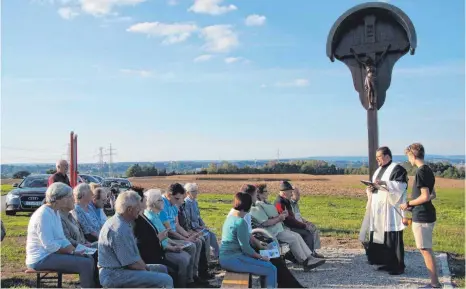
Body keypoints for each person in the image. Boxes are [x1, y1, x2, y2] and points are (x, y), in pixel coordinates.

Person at [98, 190, 173, 288]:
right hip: (114, 275)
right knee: (166, 280)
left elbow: (134, 257)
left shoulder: (122, 222)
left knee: (161, 269)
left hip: (120, 270)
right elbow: (132, 264)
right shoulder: (119, 229)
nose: (140, 209)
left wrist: (146, 269)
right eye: (138, 207)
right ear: (129, 209)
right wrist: (146, 270)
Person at [26, 182, 96, 288]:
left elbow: (61, 239)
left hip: (50, 254)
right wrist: (72, 252)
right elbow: (49, 245)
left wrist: (76, 250)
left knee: (89, 258)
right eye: (69, 197)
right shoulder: (43, 215)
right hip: (40, 258)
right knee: (85, 264)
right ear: (58, 199)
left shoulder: (55, 212)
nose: (72, 199)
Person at [251, 184, 325, 272]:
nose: (268, 193)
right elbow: (265, 222)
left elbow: (272, 216)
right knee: (293, 238)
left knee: (297, 236)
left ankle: (309, 257)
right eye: (266, 191)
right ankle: (305, 261)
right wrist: (279, 218)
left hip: (278, 228)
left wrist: (281, 216)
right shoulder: (257, 206)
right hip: (271, 232)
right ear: (259, 194)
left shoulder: (265, 203)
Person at [359, 146, 408, 275]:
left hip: (390, 210)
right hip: (378, 208)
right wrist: (370, 188)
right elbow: (376, 187)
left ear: (387, 156)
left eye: (379, 157)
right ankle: (385, 263)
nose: (377, 160)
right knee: (381, 237)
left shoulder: (398, 169)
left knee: (392, 237)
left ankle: (398, 266)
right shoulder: (378, 170)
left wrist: (384, 183)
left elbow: (401, 186)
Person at [400, 143, 441, 288]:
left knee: (425, 250)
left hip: (422, 216)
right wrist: (415, 204)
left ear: (413, 155)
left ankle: (435, 284)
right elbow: (432, 195)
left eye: (408, 156)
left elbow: (424, 196)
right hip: (426, 213)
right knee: (426, 248)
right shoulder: (428, 170)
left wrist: (409, 204)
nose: (408, 160)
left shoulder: (420, 172)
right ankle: (435, 283)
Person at [142, 188, 200, 288]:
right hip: (161, 250)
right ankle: (182, 285)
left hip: (166, 244)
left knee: (188, 252)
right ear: (153, 203)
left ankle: (189, 280)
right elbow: (158, 239)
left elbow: (165, 234)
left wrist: (176, 243)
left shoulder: (156, 214)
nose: (163, 202)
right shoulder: (151, 217)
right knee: (184, 259)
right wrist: (172, 247)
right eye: (160, 200)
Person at [220, 192, 277, 288]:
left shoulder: (230, 218)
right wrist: (261, 257)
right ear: (247, 207)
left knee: (267, 265)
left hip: (227, 258)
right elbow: (245, 248)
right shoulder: (240, 222)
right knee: (271, 269)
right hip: (234, 259)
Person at [161, 183, 208, 285]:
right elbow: (168, 230)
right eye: (177, 198)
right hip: (169, 237)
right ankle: (188, 279)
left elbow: (177, 225)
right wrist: (186, 239)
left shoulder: (173, 204)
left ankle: (193, 275)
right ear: (169, 195)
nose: (179, 201)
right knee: (192, 246)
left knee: (198, 241)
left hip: (175, 234)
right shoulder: (162, 205)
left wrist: (188, 235)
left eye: (180, 199)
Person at [275, 181, 323, 259]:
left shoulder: (285, 201)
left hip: (289, 226)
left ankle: (304, 256)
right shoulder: (279, 203)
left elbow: (291, 218)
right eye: (291, 192)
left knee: (307, 232)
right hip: (285, 228)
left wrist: (304, 224)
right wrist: (304, 226)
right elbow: (288, 221)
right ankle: (306, 258)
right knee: (307, 233)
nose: (291, 194)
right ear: (284, 193)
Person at [183, 183, 220, 260]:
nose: (196, 193)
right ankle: (206, 259)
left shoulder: (195, 202)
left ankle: (217, 256)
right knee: (207, 235)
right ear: (187, 193)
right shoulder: (186, 203)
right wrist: (198, 227)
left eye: (196, 191)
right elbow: (188, 219)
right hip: (193, 228)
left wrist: (203, 225)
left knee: (212, 234)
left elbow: (198, 216)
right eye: (193, 191)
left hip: (198, 226)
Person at [290, 186, 325, 259]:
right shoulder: (290, 204)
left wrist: (306, 221)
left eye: (299, 193)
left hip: (300, 223)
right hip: (295, 226)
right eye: (297, 193)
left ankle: (313, 251)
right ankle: (310, 253)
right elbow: (293, 219)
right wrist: (304, 224)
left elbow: (298, 216)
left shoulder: (295, 204)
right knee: (310, 230)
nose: (299, 195)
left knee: (313, 227)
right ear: (291, 194)